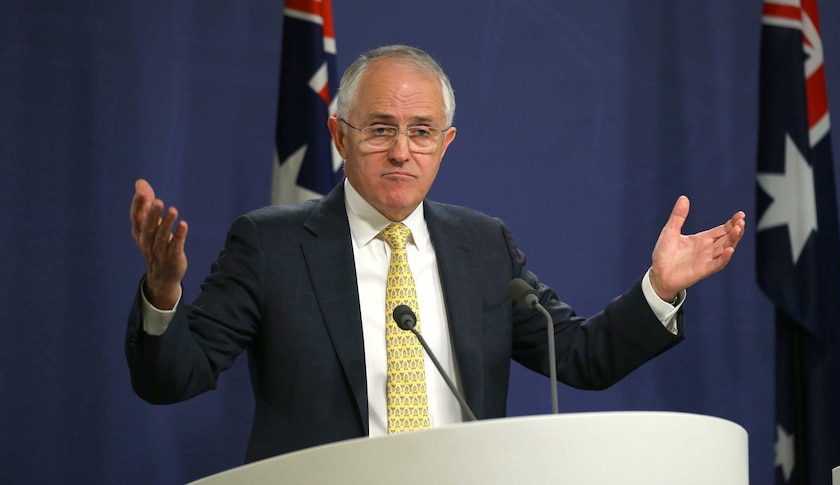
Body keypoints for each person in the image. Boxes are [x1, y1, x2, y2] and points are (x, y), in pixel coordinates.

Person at [127, 45, 745, 463]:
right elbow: (173, 377)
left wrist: (659, 288)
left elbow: (581, 357)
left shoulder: (483, 245)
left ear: (445, 144)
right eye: (380, 128)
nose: (402, 151)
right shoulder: (271, 244)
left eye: (421, 131)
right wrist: (162, 293)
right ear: (339, 135)